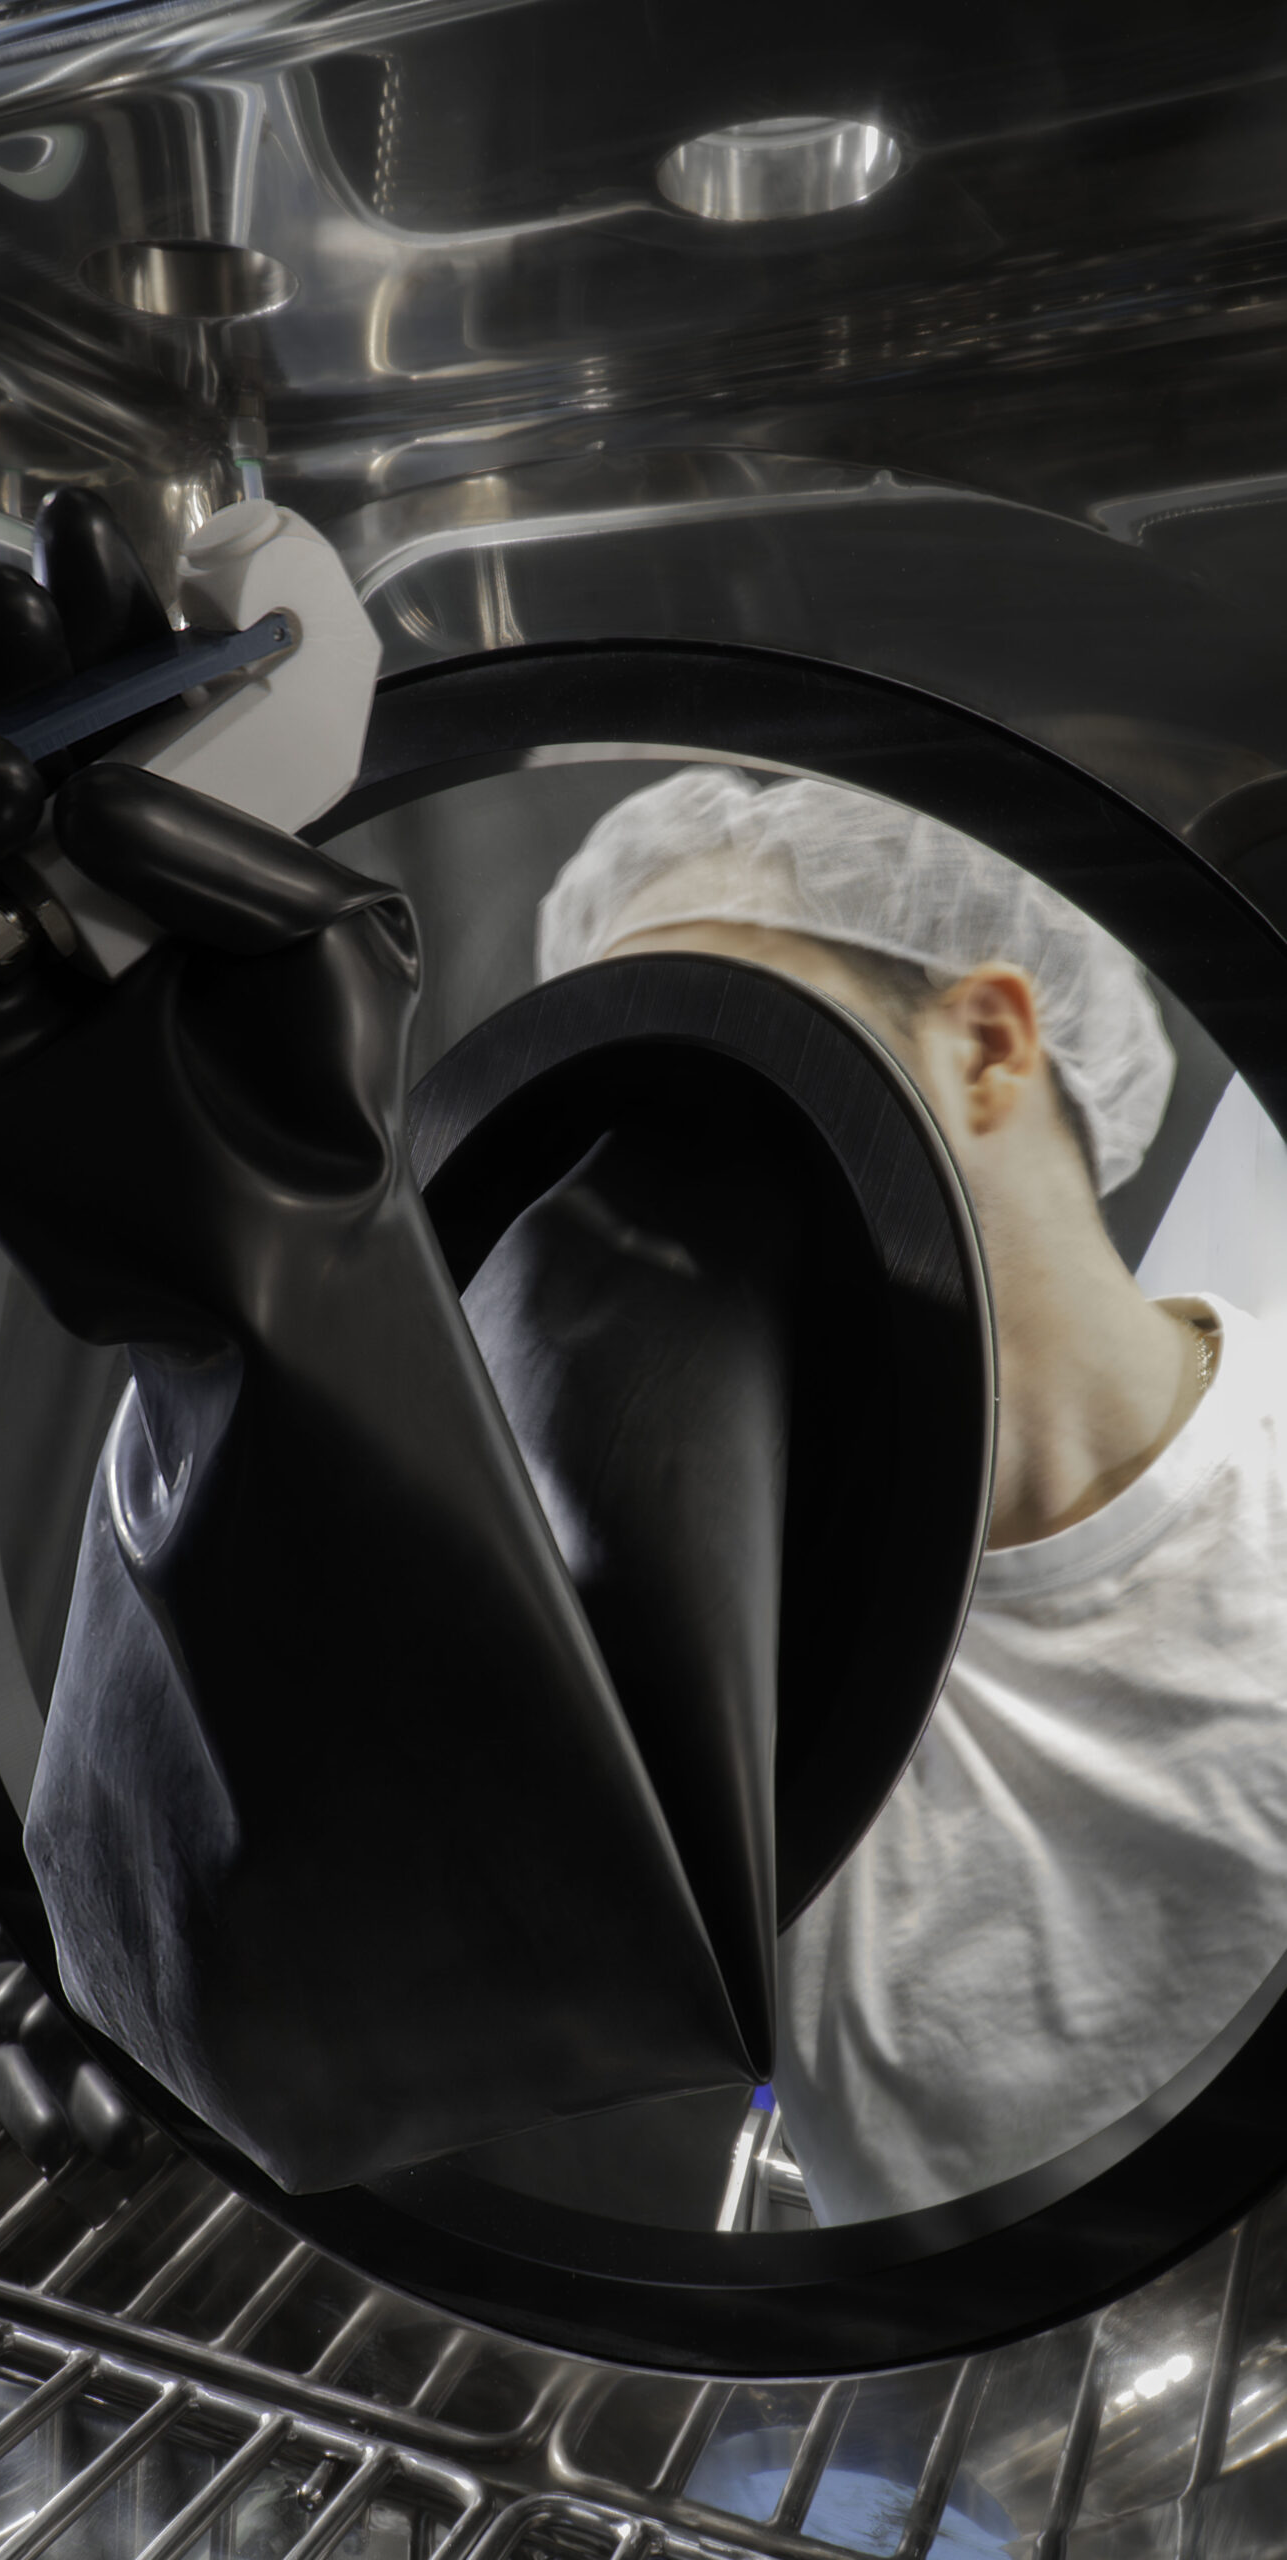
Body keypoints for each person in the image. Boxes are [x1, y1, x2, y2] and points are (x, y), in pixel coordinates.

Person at [537, 765, 1287, 2224]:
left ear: (988, 1048)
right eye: (609, 1110)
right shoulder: (697, 1625)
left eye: (721, 1058)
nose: (650, 1184)